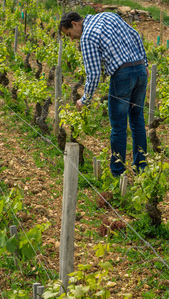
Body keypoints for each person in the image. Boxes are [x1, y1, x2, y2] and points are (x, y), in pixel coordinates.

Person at [59, 11, 148, 177]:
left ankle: (117, 173)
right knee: (137, 122)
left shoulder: (86, 37)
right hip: (140, 69)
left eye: (70, 34)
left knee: (119, 127)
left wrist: (84, 99)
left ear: (74, 23)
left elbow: (93, 74)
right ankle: (141, 169)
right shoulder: (107, 16)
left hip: (122, 75)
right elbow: (135, 34)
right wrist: (145, 63)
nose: (72, 39)